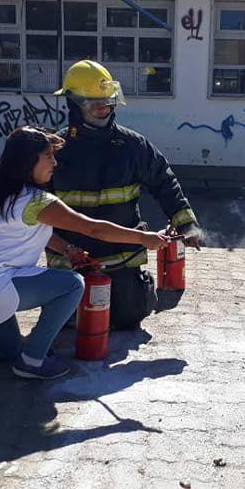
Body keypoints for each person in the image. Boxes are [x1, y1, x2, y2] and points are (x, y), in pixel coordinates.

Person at [0, 126, 170, 381]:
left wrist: (67, 250)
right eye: (48, 156)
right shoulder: (36, 201)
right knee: (72, 285)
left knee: (6, 347)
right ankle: (33, 360)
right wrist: (143, 238)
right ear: (28, 161)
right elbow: (93, 228)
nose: (55, 163)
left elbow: (30, 230)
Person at [49, 60, 200, 330]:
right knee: (70, 319)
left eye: (107, 102)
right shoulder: (55, 150)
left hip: (121, 257)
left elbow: (164, 181)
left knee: (129, 316)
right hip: (71, 261)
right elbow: (33, 206)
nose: (103, 109)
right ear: (73, 104)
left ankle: (139, 288)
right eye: (94, 104)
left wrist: (186, 224)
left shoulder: (132, 146)